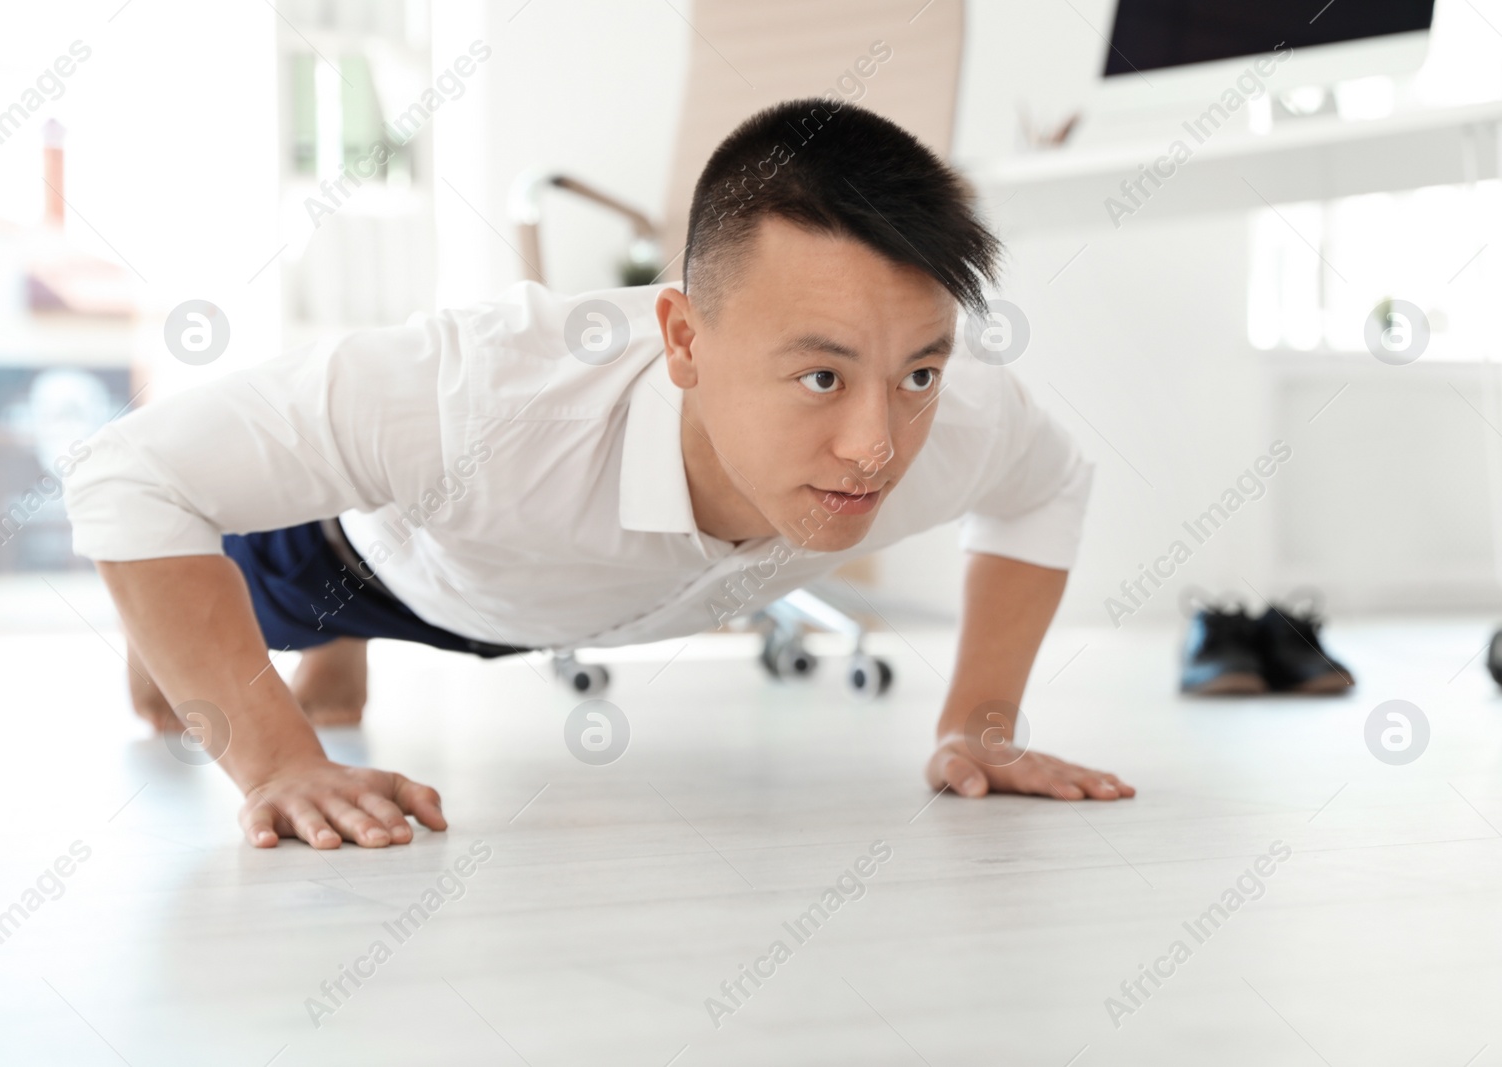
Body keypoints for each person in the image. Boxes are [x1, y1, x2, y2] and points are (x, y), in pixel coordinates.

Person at [64, 98, 1134, 850]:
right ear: (681, 337)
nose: (877, 446)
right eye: (819, 375)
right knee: (174, 684)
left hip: (548, 580)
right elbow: (127, 475)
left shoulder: (959, 412)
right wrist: (274, 758)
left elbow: (1048, 482)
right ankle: (325, 642)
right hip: (379, 558)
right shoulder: (480, 391)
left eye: (918, 372)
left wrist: (980, 723)